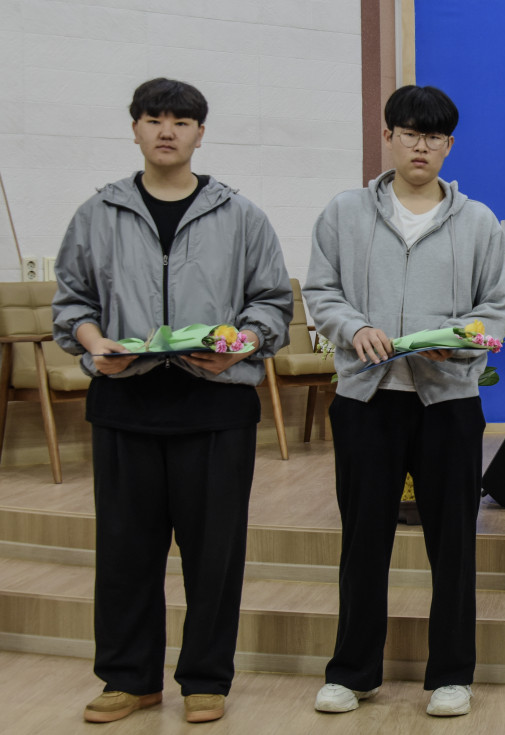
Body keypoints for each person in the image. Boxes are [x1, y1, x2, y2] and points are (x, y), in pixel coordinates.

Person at [52, 78, 293, 724]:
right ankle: (128, 678)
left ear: (200, 134)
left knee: (215, 555)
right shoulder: (98, 213)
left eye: (181, 121)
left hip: (215, 408)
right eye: (154, 118)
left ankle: (206, 679)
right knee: (124, 553)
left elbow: (272, 304)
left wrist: (240, 346)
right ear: (134, 128)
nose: (167, 130)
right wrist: (96, 344)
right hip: (124, 404)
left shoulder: (240, 215)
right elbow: (71, 303)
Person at [304, 85, 505, 718]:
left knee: (452, 543)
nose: (420, 146)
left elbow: (498, 305)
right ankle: (352, 672)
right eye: (409, 133)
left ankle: (451, 674)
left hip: (446, 400)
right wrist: (353, 328)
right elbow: (322, 290)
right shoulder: (344, 212)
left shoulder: (478, 221)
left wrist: (461, 341)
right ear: (388, 137)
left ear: (449, 145)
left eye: (433, 136)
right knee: (362, 539)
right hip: (368, 398)